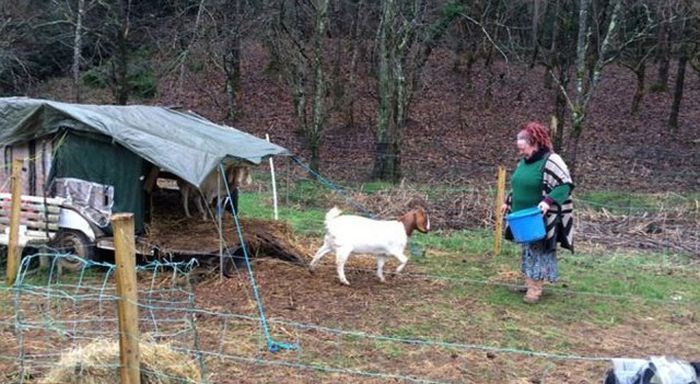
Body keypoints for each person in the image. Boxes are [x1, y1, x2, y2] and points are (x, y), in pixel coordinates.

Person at [500, 121, 574, 304]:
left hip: (540, 218)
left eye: (523, 148)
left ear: (535, 143)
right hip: (522, 218)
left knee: (539, 251)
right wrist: (508, 201)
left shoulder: (552, 160)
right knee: (528, 251)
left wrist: (548, 201)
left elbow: (565, 185)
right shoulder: (524, 162)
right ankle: (528, 281)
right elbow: (518, 185)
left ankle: (535, 289)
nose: (521, 152)